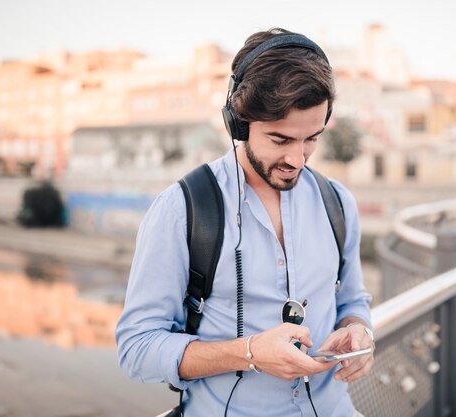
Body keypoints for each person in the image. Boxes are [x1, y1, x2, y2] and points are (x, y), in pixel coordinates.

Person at [116, 27, 374, 417]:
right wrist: (249, 353)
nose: (299, 160)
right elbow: (136, 349)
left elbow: (352, 301)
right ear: (238, 123)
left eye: (311, 139)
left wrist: (359, 331)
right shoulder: (181, 209)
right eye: (280, 140)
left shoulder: (339, 202)